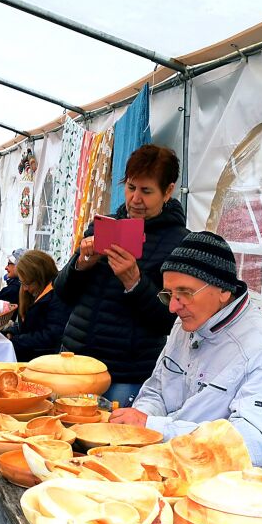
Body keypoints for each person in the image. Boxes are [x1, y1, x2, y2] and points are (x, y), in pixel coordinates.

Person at [110, 231, 262, 473]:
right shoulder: (186, 323)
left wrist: (155, 427)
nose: (173, 307)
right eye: (169, 295)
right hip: (176, 463)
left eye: (184, 293)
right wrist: (139, 421)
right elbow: (156, 391)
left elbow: (253, 443)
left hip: (235, 483)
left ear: (224, 290)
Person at [53, 144, 189, 407]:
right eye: (130, 187)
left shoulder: (179, 243)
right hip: (77, 364)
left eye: (146, 191)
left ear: (168, 191)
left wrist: (134, 282)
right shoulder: (101, 227)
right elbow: (63, 293)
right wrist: (81, 263)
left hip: (127, 372)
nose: (135, 199)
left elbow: (169, 321)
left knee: (112, 443)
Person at [4, 249, 73, 362]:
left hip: (43, 361)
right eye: (22, 283)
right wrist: (11, 332)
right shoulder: (35, 294)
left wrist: (17, 340)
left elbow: (51, 335)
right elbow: (26, 326)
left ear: (39, 277)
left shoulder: (57, 297)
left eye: (27, 283)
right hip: (29, 357)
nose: (25, 288)